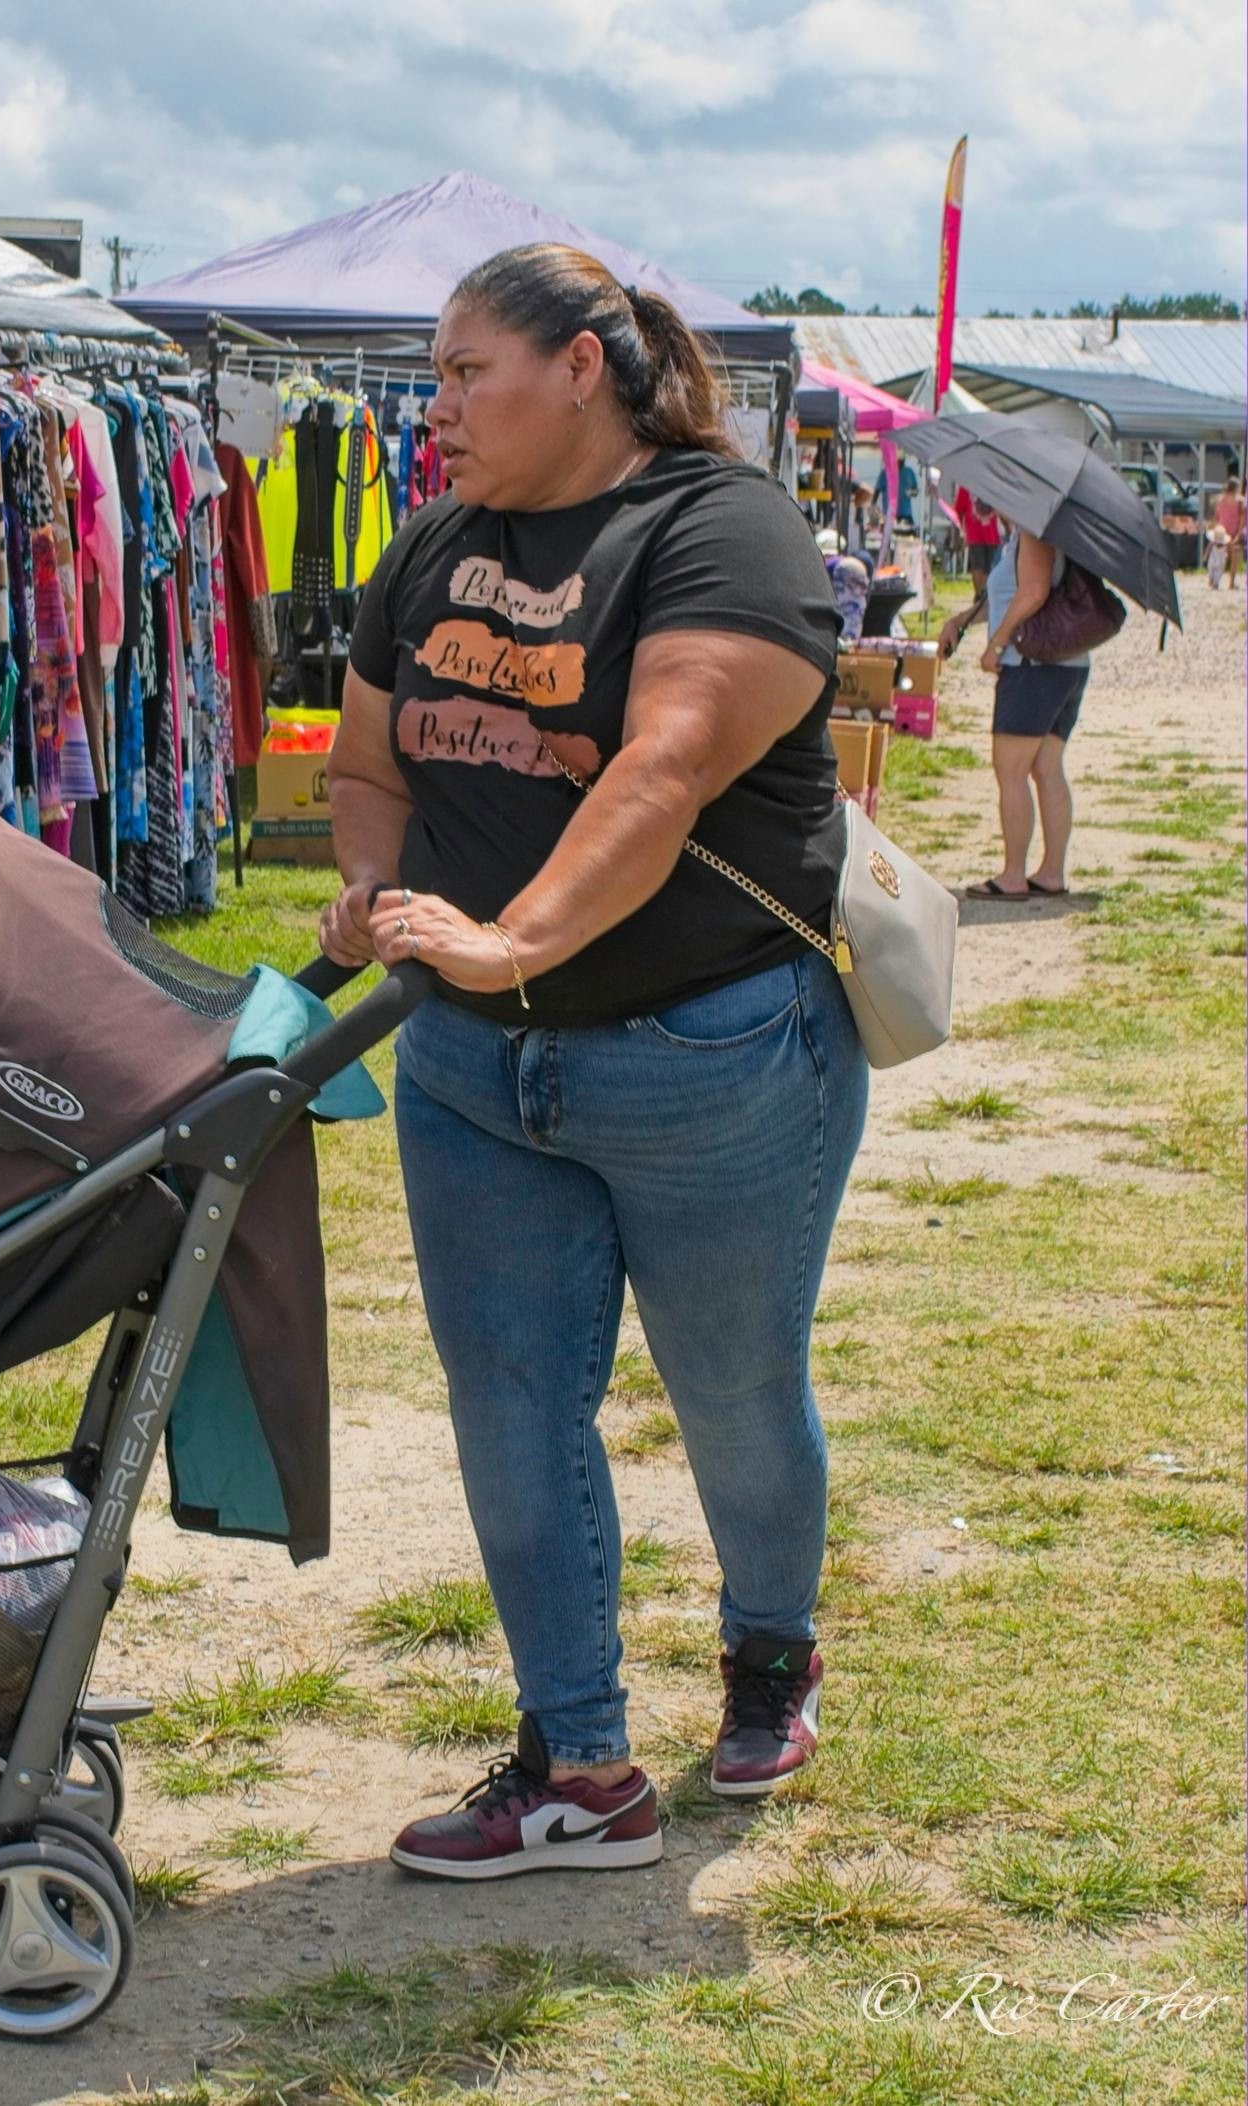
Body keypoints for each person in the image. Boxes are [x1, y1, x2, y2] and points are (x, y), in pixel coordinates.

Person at [318, 242, 864, 1881]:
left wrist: (515, 939)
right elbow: (369, 759)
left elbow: (666, 765)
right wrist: (372, 885)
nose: (434, 407)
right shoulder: (433, 545)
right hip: (472, 1070)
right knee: (511, 1405)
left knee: (734, 1388)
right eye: (431, 376)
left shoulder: (722, 528)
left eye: (463, 371)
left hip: (710, 1052)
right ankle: (579, 1762)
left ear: (579, 367)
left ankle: (770, 1647)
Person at [942, 519, 1086, 900]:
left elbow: (1033, 593)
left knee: (1011, 770)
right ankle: (1051, 872)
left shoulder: (1035, 532)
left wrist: (997, 644)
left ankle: (1013, 875)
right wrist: (962, 620)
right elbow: (1013, 595)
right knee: (1047, 768)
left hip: (1031, 665)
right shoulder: (1048, 531)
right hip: (1067, 664)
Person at [1209, 475, 1243, 591]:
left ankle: (1214, 581)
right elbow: (1242, 520)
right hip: (1234, 532)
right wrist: (1239, 534)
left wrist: (1213, 529)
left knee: (1218, 558)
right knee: (1234, 558)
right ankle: (1231, 583)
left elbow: (1216, 517)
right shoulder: (1240, 501)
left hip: (1222, 532)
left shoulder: (1220, 500)